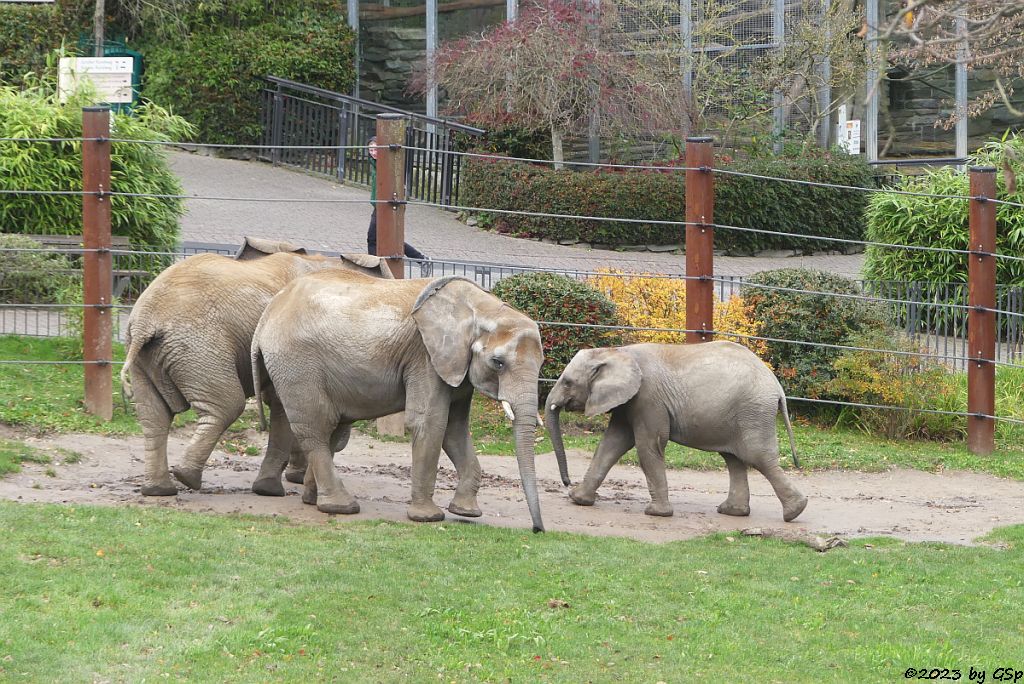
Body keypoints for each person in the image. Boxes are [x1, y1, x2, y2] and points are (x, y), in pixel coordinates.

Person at [366, 136, 431, 275]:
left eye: (376, 149)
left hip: (386, 206)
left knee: (374, 238)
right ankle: (422, 259)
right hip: (378, 205)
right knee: (385, 239)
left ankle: (373, 267)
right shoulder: (373, 162)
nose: (373, 152)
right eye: (370, 149)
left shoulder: (384, 164)